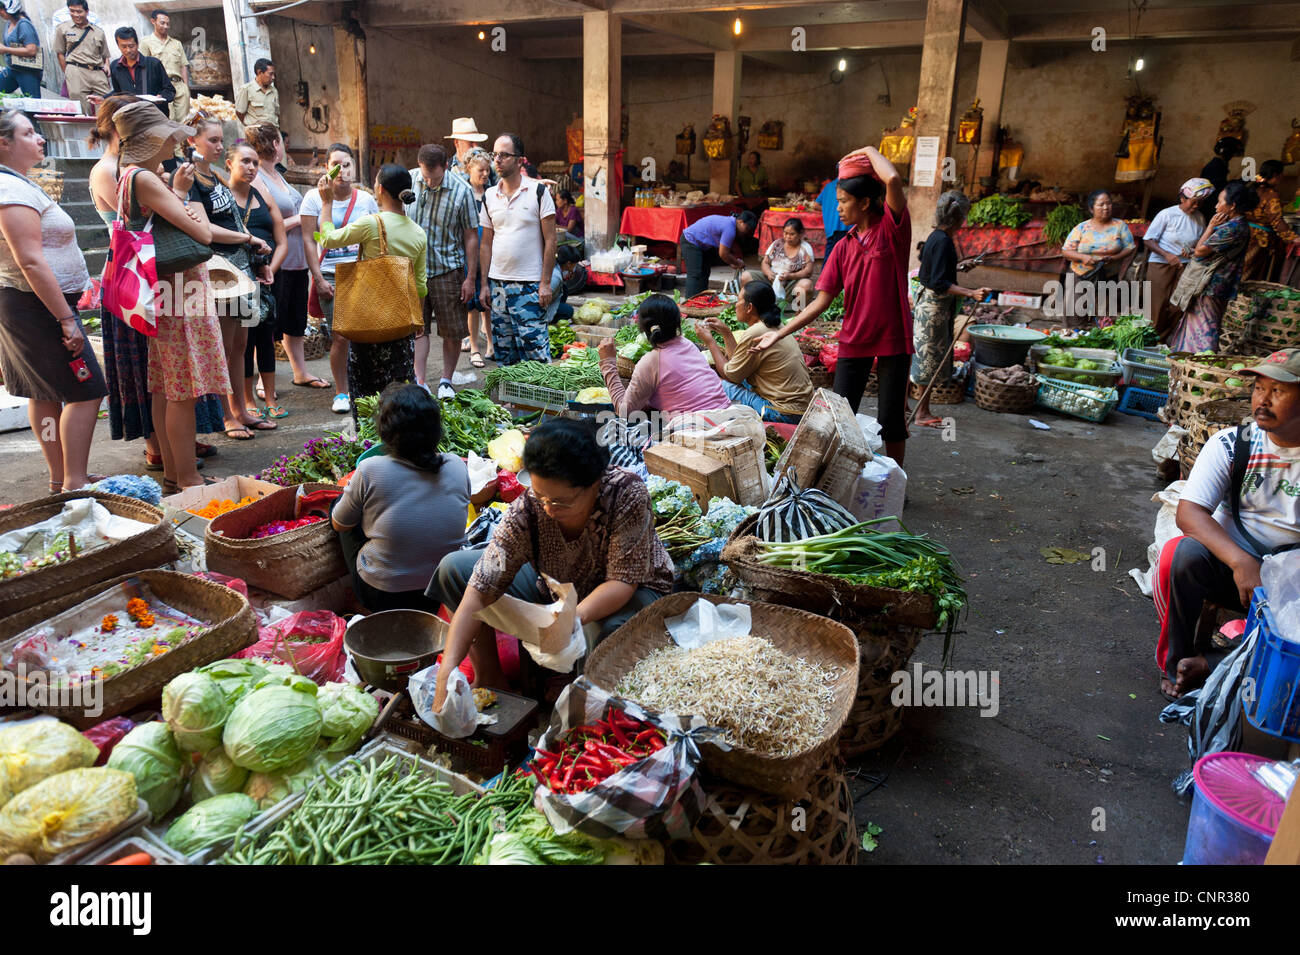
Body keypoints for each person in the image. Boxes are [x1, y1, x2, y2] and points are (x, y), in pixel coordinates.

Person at [428, 417, 672, 702]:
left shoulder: (626, 493)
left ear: (595, 483)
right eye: (541, 495)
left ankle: (589, 709)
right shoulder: (530, 508)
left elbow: (622, 582)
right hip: (557, 584)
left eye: (562, 501)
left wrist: (570, 618)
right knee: (455, 571)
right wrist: (447, 670)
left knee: (604, 632)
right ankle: (490, 677)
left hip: (630, 589)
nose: (549, 508)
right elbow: (482, 585)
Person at [1153, 348, 1300, 699]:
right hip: (1231, 569)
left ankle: (1216, 663)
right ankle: (1180, 662)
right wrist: (1240, 561)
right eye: (1258, 388)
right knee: (1182, 555)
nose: (1262, 400)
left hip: (1291, 580)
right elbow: (1189, 513)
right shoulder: (1234, 445)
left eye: (1277, 391)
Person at [752, 146, 913, 465]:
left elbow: (892, 177)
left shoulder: (893, 230)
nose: (837, 208)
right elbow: (822, 301)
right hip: (854, 338)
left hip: (894, 337)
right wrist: (780, 333)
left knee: (891, 420)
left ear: (865, 202)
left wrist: (868, 150)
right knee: (839, 416)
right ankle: (832, 476)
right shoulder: (842, 247)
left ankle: (895, 482)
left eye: (843, 201)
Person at [113, 100, 227, 492]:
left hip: (165, 287)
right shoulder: (143, 179)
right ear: (150, 140)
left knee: (165, 385)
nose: (172, 145)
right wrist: (179, 193)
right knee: (183, 390)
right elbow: (204, 233)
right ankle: (189, 477)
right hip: (178, 288)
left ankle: (177, 473)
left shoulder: (130, 176)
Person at [0, 110, 107, 493]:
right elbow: (30, 259)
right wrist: (65, 319)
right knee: (86, 390)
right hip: (37, 307)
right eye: (29, 133)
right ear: (4, 143)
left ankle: (62, 478)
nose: (40, 139)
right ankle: (74, 482)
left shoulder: (19, 183)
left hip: (31, 305)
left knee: (43, 393)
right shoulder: (9, 189)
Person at [332, 383, 469, 613]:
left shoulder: (370, 469)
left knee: (338, 507)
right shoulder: (456, 464)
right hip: (440, 590)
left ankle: (360, 600)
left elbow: (339, 523)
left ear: (387, 432)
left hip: (383, 594)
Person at [183, 114, 276, 441]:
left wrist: (256, 257)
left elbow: (236, 221)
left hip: (242, 267)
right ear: (193, 141)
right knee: (223, 347)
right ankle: (226, 416)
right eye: (212, 140)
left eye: (221, 140)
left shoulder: (215, 175)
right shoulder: (191, 179)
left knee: (240, 345)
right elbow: (204, 229)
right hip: (218, 270)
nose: (219, 146)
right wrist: (249, 240)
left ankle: (241, 410)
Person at [317, 162, 427, 426]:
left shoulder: (371, 224)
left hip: (369, 323)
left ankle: (369, 443)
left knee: (366, 392)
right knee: (399, 389)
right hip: (401, 325)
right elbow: (421, 285)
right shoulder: (418, 232)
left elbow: (327, 239)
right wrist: (418, 321)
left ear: (379, 189)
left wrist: (326, 203)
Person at [299, 142, 378, 415]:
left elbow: (375, 239)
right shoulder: (313, 198)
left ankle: (365, 387)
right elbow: (310, 241)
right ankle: (342, 392)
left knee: (365, 334)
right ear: (327, 168)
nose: (343, 170)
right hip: (331, 273)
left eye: (347, 164)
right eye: (337, 165)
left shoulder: (366, 200)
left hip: (361, 272)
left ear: (354, 166)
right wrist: (318, 278)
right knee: (340, 336)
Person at [248, 123, 325, 392]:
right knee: (268, 322)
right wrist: (305, 218)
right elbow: (272, 219)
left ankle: (300, 371)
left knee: (295, 320)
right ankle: (262, 378)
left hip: (297, 258)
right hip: (276, 259)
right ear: (275, 144)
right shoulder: (258, 176)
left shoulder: (278, 175)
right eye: (281, 140)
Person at [911, 191, 990, 428]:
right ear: (960, 218)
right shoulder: (943, 241)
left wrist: (962, 266)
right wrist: (970, 293)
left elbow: (938, 270)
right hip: (933, 308)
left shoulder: (936, 237)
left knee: (924, 357)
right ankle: (922, 413)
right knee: (928, 360)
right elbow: (939, 282)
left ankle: (912, 408)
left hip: (929, 305)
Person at [406, 142, 478, 397]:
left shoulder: (462, 191)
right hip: (413, 271)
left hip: (448, 270)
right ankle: (420, 380)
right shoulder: (410, 181)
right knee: (418, 328)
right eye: (425, 176)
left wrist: (470, 278)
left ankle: (446, 380)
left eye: (433, 177)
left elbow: (471, 236)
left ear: (445, 167)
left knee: (452, 329)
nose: (428, 182)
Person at [479, 132, 556, 367]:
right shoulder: (490, 195)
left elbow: (551, 240)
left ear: (520, 160)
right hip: (498, 284)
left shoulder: (538, 192)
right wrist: (484, 284)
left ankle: (541, 401)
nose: (498, 160)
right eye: (495, 155)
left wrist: (545, 283)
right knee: (505, 350)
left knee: (535, 350)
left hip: (529, 285)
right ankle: (510, 404)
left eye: (504, 155)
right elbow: (485, 243)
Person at [224, 142, 287, 423]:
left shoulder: (262, 196)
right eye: (244, 162)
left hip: (266, 278)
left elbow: (281, 240)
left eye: (254, 163)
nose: (250, 168)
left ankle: (270, 397)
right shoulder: (221, 199)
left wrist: (268, 271)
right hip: (234, 281)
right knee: (241, 344)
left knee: (267, 338)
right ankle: (246, 401)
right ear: (230, 163)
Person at [595, 293, 728, 421]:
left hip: (699, 428)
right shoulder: (687, 344)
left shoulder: (651, 361)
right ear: (678, 323)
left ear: (643, 327)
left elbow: (624, 412)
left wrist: (608, 363)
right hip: (725, 414)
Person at [696, 279, 811, 424]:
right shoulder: (777, 326)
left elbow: (730, 375)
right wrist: (726, 333)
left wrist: (710, 342)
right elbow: (736, 366)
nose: (735, 305)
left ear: (749, 307)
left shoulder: (755, 332)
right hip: (801, 409)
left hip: (782, 413)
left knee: (713, 382)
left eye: (738, 300)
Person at [1167, 181, 1258, 354]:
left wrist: (1210, 227)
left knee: (1205, 330)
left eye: (1220, 202)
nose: (1216, 206)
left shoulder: (1232, 228)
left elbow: (1201, 251)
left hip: (1212, 286)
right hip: (1218, 285)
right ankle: (1186, 363)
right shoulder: (1239, 225)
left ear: (1233, 206)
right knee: (1199, 326)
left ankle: (1201, 368)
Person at [1143, 178, 1211, 341]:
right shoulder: (1167, 214)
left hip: (1186, 266)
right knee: (1157, 305)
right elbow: (1148, 240)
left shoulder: (1200, 218)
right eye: (1193, 202)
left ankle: (1163, 338)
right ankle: (1150, 340)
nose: (1196, 206)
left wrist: (1193, 252)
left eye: (1199, 203)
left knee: (1178, 305)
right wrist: (1167, 255)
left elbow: (1200, 244)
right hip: (1160, 264)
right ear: (1182, 198)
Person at [1060, 190, 1137, 286]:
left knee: (1104, 301)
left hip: (1108, 277)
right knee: (1076, 301)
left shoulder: (1120, 226)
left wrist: (1114, 258)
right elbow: (1066, 251)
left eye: (1108, 203)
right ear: (1091, 209)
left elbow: (1129, 247)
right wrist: (1083, 257)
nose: (1106, 207)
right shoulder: (1081, 228)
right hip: (1080, 276)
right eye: (1101, 204)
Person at [461, 147, 494, 362]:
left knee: (488, 299)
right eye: (481, 170)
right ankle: (474, 347)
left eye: (487, 171)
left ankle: (491, 343)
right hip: (469, 252)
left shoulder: (492, 193)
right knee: (472, 303)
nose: (485, 174)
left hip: (489, 250)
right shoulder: (462, 193)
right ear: (469, 169)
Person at [1243, 160, 1299, 282]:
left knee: (1241, 267)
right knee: (1249, 272)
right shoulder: (1271, 194)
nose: (1282, 178)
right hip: (1259, 238)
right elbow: (1276, 221)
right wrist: (1293, 237)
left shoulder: (1251, 188)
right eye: (1281, 175)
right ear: (1275, 175)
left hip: (1244, 232)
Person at [681, 210, 756, 299]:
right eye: (747, 228)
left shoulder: (732, 225)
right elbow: (723, 254)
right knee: (695, 274)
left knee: (704, 273)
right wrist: (737, 263)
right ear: (740, 222)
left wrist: (733, 261)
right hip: (691, 240)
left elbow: (729, 250)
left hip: (703, 245)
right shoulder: (729, 228)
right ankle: (689, 303)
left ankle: (701, 299)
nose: (747, 232)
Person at [54, 0, 110, 116]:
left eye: (79, 11)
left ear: (87, 12)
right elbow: (60, 53)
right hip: (76, 70)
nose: (75, 14)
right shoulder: (62, 29)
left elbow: (105, 54)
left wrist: (107, 65)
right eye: (72, 11)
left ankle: (103, 131)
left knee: (107, 103)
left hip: (97, 70)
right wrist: (68, 72)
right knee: (81, 109)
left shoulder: (98, 31)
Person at [139, 10, 189, 125]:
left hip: (179, 87)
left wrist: (186, 88)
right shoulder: (145, 43)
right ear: (153, 22)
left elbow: (183, 66)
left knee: (184, 123)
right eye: (162, 23)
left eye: (168, 23)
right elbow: (143, 68)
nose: (166, 26)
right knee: (168, 122)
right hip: (162, 88)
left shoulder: (177, 44)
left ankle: (184, 144)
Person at [108, 27, 172, 115]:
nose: (128, 50)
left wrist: (161, 97)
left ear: (137, 44)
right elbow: (117, 93)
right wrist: (103, 98)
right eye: (124, 47)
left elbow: (170, 90)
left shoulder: (153, 64)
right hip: (130, 116)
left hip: (155, 115)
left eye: (131, 46)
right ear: (118, 46)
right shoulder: (115, 66)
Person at [749, 217, 815, 302]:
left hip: (791, 283)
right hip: (772, 280)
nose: (787, 237)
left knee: (806, 285)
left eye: (792, 234)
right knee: (746, 276)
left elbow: (808, 271)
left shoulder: (805, 248)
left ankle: (799, 313)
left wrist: (790, 276)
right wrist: (769, 273)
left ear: (800, 234)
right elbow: (765, 262)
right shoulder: (777, 244)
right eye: (785, 233)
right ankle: (755, 309)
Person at [0, 1, 40, 98]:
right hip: (12, 69)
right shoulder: (9, 24)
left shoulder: (24, 25)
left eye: (2, 9)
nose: (0, 12)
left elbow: (31, 50)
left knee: (32, 102)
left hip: (27, 70)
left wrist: (6, 49)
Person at [1199, 137, 1243, 220]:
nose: (1232, 157)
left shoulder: (1219, 164)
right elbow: (1219, 187)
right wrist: (1241, 181)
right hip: (1209, 206)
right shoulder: (1216, 166)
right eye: (1232, 154)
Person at [445, 116, 495, 187]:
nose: (475, 146)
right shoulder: (447, 169)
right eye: (471, 142)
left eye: (477, 142)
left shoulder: (490, 166)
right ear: (456, 143)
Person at [234, 58, 278, 130]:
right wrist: (251, 126)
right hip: (257, 134)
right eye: (270, 74)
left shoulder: (274, 91)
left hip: (273, 132)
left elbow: (276, 114)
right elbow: (239, 113)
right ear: (260, 72)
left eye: (274, 74)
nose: (273, 77)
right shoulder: (246, 89)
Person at [818, 176, 847, 261]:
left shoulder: (828, 186)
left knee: (830, 261)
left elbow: (816, 204)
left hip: (832, 230)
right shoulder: (849, 185)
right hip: (846, 229)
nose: (838, 208)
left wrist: (828, 208)